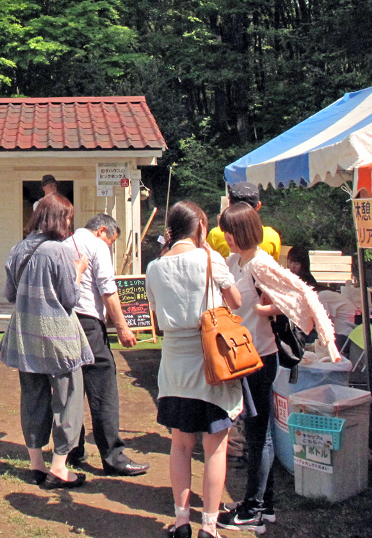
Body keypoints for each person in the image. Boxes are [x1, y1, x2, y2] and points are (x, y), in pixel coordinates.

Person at [217, 203, 339, 534]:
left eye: (228, 231)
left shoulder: (261, 263)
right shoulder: (235, 260)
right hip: (241, 356)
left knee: (259, 434)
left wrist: (262, 308)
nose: (225, 236)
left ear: (241, 231)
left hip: (261, 357)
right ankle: (263, 504)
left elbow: (298, 302)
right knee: (254, 431)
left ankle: (255, 507)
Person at [146, 201, 242, 538]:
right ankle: (210, 527)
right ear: (200, 225)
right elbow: (236, 301)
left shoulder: (154, 267)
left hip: (174, 367)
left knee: (180, 445)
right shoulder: (210, 258)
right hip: (210, 363)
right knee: (215, 447)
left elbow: (156, 313)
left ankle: (182, 521)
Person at [0, 192, 93, 490]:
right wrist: (78, 273)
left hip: (25, 334)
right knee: (68, 397)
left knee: (32, 397)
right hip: (58, 335)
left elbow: (10, 295)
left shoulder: (18, 249)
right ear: (57, 218)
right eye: (67, 216)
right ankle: (59, 467)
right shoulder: (59, 251)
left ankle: (37, 465)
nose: (69, 222)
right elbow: (70, 298)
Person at [67, 213, 150, 476]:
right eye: (112, 241)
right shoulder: (97, 246)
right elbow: (107, 288)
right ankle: (113, 456)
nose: (110, 246)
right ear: (103, 231)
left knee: (71, 388)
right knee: (103, 389)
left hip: (65, 321)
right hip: (90, 323)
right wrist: (123, 327)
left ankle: (72, 448)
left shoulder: (63, 243)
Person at [288, 246, 357, 351]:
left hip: (343, 337)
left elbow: (319, 324)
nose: (292, 267)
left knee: (297, 336)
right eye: (290, 262)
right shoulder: (312, 290)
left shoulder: (321, 297)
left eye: (297, 263)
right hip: (338, 334)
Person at [206, 182, 281, 262]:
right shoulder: (272, 236)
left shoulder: (215, 234)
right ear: (258, 205)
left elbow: (208, 265)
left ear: (229, 204)